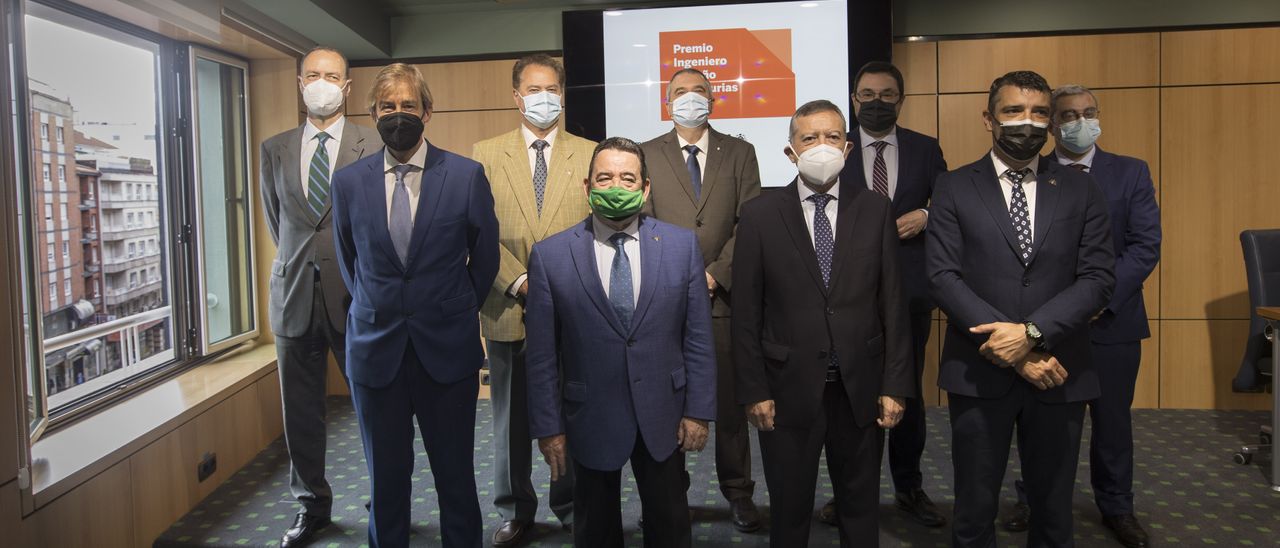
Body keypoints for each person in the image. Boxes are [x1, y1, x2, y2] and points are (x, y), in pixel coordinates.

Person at [926, 70, 1115, 548]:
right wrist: (1011, 349)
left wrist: (1030, 335)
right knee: (973, 508)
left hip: (1058, 367)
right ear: (988, 118)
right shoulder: (952, 187)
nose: (1026, 123)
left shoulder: (1080, 188)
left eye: (1038, 113)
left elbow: (1097, 278)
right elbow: (944, 277)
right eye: (1013, 111)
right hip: (978, 369)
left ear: (1050, 123)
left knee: (1054, 512)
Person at [331, 63, 499, 548]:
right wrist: (379, 303)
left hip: (446, 351)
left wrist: (453, 305)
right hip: (375, 351)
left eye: (408, 106)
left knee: (456, 481)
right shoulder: (348, 183)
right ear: (372, 113)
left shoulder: (465, 176)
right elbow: (350, 261)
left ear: (428, 111)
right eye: (388, 107)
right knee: (386, 483)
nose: (398, 115)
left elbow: (484, 258)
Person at [732, 99, 913, 548]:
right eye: (809, 138)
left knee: (860, 507)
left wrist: (895, 385)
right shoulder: (759, 215)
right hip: (787, 386)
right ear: (790, 151)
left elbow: (893, 303)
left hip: (861, 388)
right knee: (790, 512)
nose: (821, 146)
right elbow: (747, 312)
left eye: (832, 137)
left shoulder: (874, 209)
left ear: (848, 149)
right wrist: (754, 390)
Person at [525, 137, 716, 548]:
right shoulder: (550, 255)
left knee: (669, 525)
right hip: (588, 415)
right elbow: (541, 356)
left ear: (645, 188)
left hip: (665, 414)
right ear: (587, 187)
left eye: (628, 179)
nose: (616, 187)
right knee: (594, 530)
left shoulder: (682, 247)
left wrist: (699, 411)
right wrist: (548, 427)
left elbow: (698, 337)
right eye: (605, 178)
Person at [1001, 84, 1160, 548]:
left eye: (1088, 112)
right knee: (1042, 421)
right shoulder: (1030, 171)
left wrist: (1096, 300)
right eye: (1068, 115)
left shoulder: (1130, 172)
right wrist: (1057, 314)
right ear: (1051, 125)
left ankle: (1117, 506)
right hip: (1048, 325)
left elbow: (1144, 246)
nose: (1079, 122)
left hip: (1112, 322)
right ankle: (1033, 498)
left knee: (1112, 422)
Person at [470, 53, 596, 547]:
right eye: (534, 89)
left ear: (562, 95)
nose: (545, 98)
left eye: (553, 89)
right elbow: (475, 232)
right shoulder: (484, 152)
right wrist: (520, 281)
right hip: (507, 305)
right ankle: (516, 508)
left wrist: (563, 284)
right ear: (516, 96)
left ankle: (568, 503)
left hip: (575, 310)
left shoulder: (589, 152)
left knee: (571, 411)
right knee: (510, 417)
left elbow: (598, 228)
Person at [257, 45, 380, 548]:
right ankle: (311, 505)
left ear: (348, 87)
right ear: (299, 83)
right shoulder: (275, 148)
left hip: (357, 297)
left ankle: (383, 495)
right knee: (300, 411)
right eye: (313, 75)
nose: (323, 83)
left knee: (374, 404)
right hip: (293, 298)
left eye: (333, 76)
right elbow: (278, 222)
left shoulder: (372, 144)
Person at [818, 60, 949, 529]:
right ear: (854, 99)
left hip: (910, 292)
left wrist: (928, 216)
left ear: (901, 98)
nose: (876, 102)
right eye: (867, 94)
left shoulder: (925, 148)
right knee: (849, 398)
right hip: (847, 294)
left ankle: (910, 485)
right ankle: (849, 493)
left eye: (887, 94)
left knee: (906, 392)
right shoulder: (835, 149)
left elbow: (950, 206)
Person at [639, 67, 763, 532]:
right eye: (680, 92)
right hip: (664, 300)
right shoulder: (647, 154)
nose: (690, 98)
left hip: (724, 299)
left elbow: (747, 223)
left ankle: (738, 492)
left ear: (715, 100)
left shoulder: (741, 152)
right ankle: (674, 492)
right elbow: (642, 223)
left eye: (699, 91)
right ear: (667, 102)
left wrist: (713, 276)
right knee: (668, 401)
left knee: (730, 403)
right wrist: (681, 279)